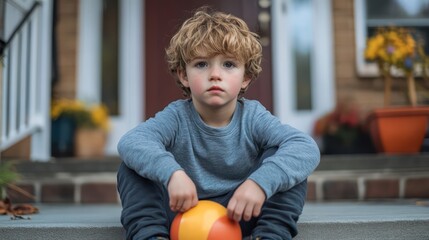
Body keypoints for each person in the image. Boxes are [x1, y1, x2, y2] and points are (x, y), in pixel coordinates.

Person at [117, 8, 320, 240]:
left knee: (287, 162)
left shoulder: (253, 117)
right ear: (184, 75)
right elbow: (131, 141)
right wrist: (172, 173)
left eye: (228, 65)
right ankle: (150, 236)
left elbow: (305, 147)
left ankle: (269, 236)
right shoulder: (175, 117)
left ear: (245, 78)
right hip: (181, 215)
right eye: (202, 64)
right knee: (132, 166)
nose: (215, 74)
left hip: (241, 214)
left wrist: (259, 184)